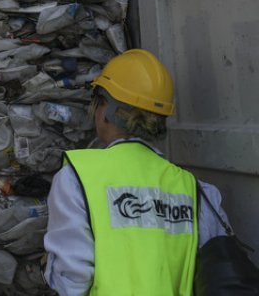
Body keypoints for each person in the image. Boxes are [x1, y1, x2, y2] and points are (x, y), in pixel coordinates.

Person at [44, 49, 230, 296]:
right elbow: (219, 274)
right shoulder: (197, 191)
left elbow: (71, 281)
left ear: (106, 111)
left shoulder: (77, 179)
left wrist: (48, 267)